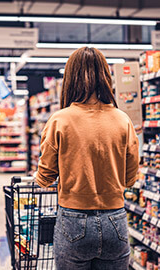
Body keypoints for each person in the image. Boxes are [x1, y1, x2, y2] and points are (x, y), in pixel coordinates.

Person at [35, 47, 139, 270]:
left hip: (73, 221)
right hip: (115, 221)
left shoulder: (59, 121)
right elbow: (130, 178)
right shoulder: (123, 120)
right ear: (106, 76)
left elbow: (44, 177)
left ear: (69, 79)